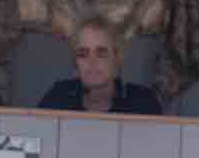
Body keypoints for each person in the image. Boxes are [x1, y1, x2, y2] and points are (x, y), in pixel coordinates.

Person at [36, 14, 165, 115]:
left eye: (101, 53)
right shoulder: (58, 98)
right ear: (75, 62)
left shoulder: (143, 102)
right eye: (83, 54)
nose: (92, 62)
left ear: (117, 57)